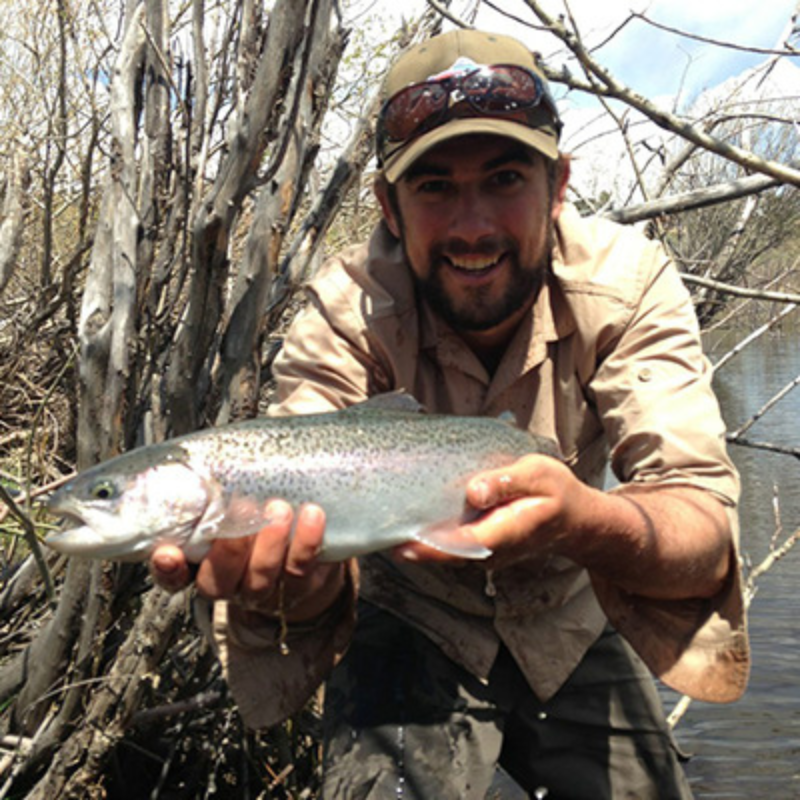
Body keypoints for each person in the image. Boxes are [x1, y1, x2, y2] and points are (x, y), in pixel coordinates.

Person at [151, 29, 750, 799]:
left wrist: (581, 522)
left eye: (504, 177)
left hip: (570, 615)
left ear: (558, 185)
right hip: (409, 620)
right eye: (434, 186)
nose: (472, 225)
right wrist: (284, 581)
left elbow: (699, 525)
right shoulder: (343, 313)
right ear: (389, 208)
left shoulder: (630, 286)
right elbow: (309, 584)